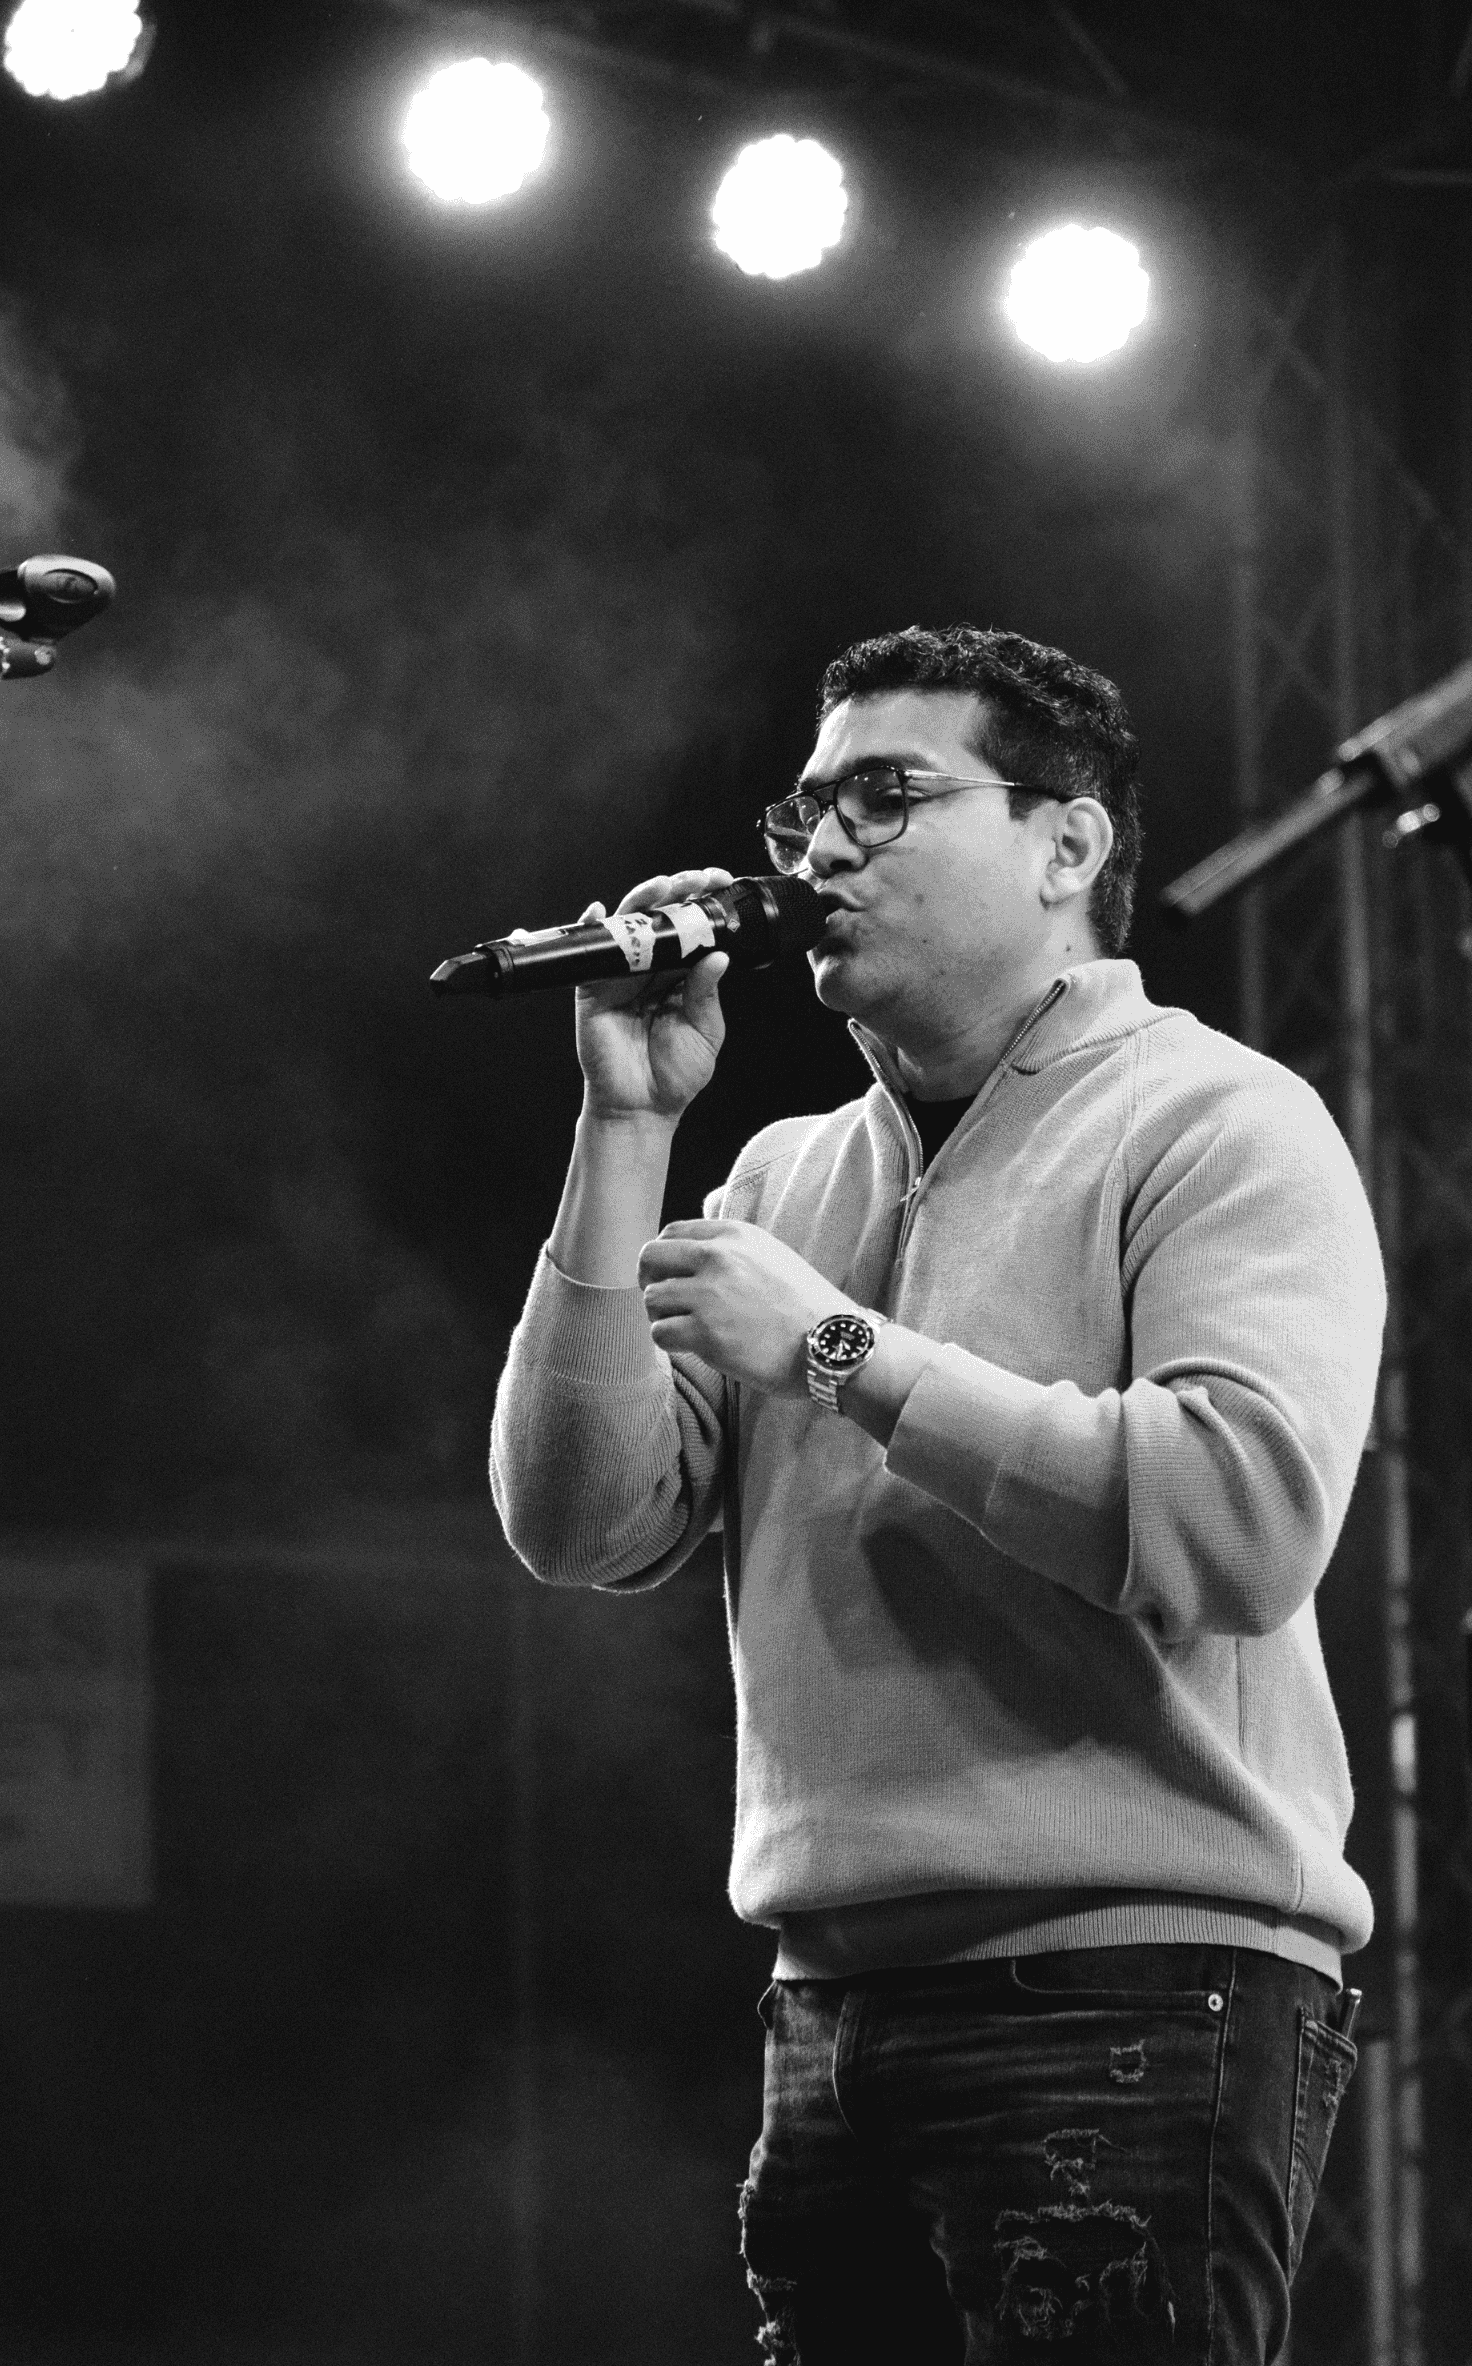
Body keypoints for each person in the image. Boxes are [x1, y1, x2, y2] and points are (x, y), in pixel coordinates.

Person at [490, 624, 1385, 2363]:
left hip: (1133, 1989)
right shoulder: (776, 1174)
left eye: (886, 797)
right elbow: (577, 1521)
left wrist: (837, 1350)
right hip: (833, 2004)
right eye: (804, 810)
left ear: (1068, 845)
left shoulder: (1220, 1121)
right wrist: (623, 1128)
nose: (819, 849)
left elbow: (1240, 1522)